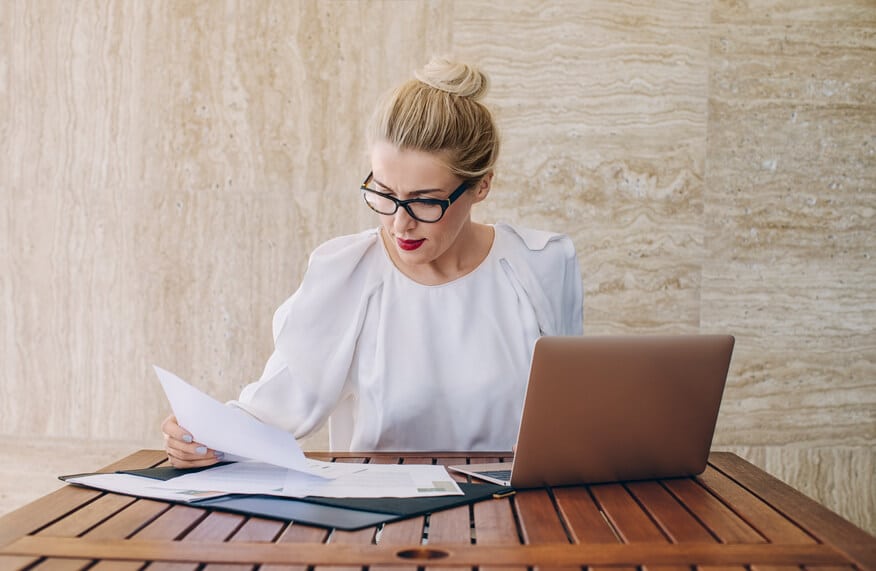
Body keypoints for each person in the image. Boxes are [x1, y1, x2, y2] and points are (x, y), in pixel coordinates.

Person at [163, 57, 583, 468]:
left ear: (481, 187)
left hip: (512, 519)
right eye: (384, 193)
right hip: (379, 522)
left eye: (425, 201)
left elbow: (571, 422)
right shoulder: (349, 273)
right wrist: (202, 438)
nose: (400, 223)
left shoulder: (540, 268)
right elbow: (274, 411)